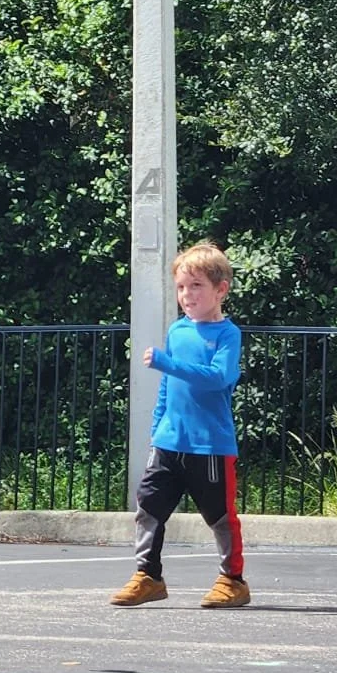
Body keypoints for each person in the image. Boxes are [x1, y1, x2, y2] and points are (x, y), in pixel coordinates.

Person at [111, 241, 249, 609]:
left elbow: (218, 378)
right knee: (149, 509)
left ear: (221, 289)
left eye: (196, 285)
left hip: (211, 448)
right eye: (181, 287)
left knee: (219, 518)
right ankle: (148, 576)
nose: (187, 295)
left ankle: (232, 581)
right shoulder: (177, 331)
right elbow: (168, 389)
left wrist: (165, 363)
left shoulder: (227, 335)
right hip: (169, 442)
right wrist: (157, 431)